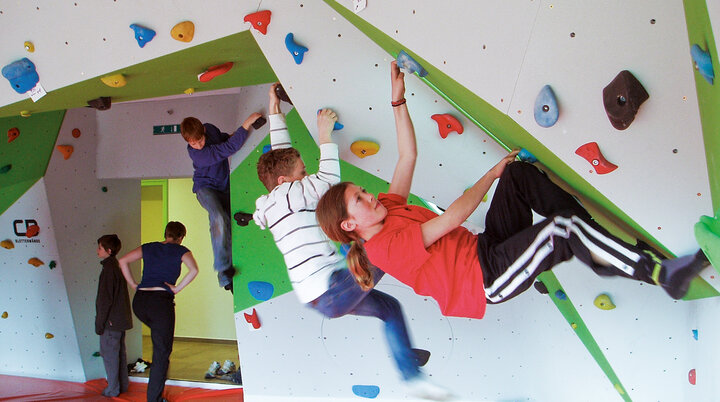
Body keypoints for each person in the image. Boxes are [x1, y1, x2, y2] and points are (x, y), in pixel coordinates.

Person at [316, 61, 709, 321]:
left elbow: (407, 156)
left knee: (518, 176)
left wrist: (397, 98)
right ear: (350, 225)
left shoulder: (386, 209)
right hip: (486, 279)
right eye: (360, 200)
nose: (371, 196)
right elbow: (454, 217)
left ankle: (599, 244)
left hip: (485, 248)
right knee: (560, 231)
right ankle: (660, 274)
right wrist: (491, 171)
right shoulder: (383, 248)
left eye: (364, 191)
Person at [253, 82, 451, 400]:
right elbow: (329, 181)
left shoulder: (277, 200)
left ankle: (410, 373)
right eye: (302, 173)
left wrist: (275, 109)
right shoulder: (291, 193)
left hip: (322, 296)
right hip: (331, 286)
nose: (306, 177)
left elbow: (281, 159)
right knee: (383, 248)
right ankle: (436, 237)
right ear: (285, 182)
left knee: (389, 307)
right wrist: (325, 135)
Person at [181, 110, 263, 292]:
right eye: (192, 144)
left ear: (203, 130)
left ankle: (228, 278)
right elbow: (228, 149)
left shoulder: (210, 129)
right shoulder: (196, 154)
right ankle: (223, 268)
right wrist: (247, 123)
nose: (198, 146)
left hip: (224, 187)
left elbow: (226, 140)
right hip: (205, 188)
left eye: (200, 141)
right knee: (218, 217)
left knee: (229, 226)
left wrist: (244, 131)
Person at [118, 221, 199, 402]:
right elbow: (194, 270)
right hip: (160, 303)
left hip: (139, 302)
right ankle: (154, 399)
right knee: (162, 352)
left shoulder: (149, 247)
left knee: (158, 338)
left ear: (166, 234)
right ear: (181, 237)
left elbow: (122, 261)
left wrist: (133, 284)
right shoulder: (181, 250)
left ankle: (156, 390)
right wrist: (176, 289)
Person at [94, 234, 132, 398]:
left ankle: (113, 389)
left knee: (110, 355)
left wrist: (99, 323)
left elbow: (104, 300)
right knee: (119, 354)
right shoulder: (116, 268)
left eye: (100, 248)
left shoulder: (108, 270)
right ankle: (122, 385)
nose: (97, 250)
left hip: (111, 322)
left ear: (108, 250)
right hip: (120, 321)